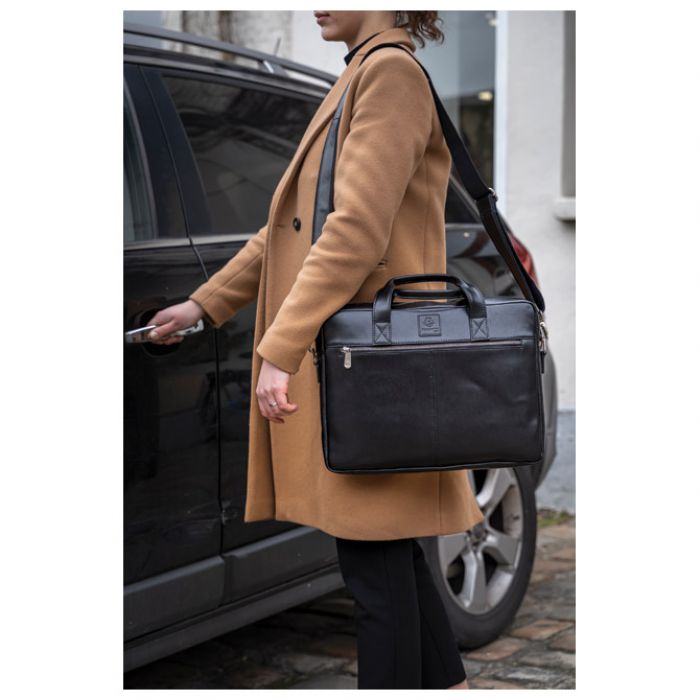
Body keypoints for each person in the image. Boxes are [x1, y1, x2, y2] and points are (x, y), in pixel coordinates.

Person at [146, 10, 485, 689]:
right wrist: (204, 304)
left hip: (372, 367)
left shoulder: (388, 74)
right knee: (388, 559)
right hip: (364, 363)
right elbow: (292, 231)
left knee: (376, 573)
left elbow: (354, 232)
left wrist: (280, 348)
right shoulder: (364, 72)